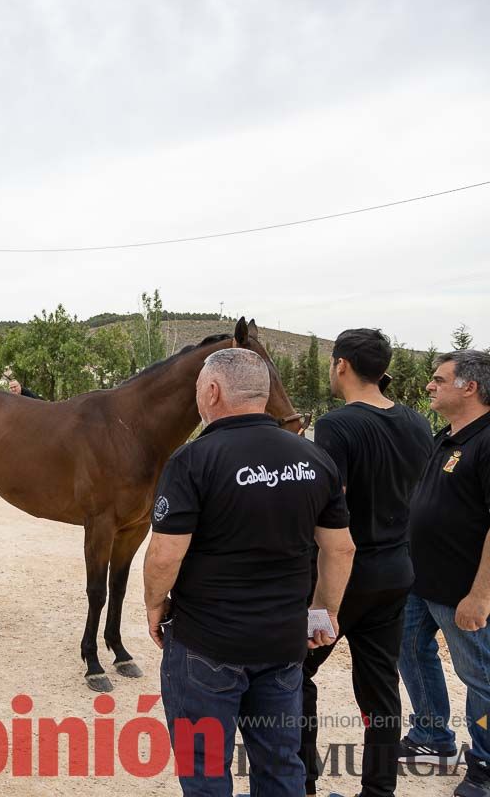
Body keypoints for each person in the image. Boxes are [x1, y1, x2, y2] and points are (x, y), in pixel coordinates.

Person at [143, 347, 355, 797]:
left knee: (205, 769)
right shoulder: (312, 459)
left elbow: (164, 555)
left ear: (213, 391)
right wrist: (324, 612)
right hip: (283, 642)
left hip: (207, 643)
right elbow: (340, 548)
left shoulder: (193, 460)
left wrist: (154, 606)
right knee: (280, 764)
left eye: (200, 389)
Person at [297, 329, 434, 797]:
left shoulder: (339, 424)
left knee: (296, 674)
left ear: (341, 365)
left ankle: (303, 782)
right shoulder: (417, 422)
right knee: (380, 690)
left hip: (347, 573)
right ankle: (379, 790)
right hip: (396, 571)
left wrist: (319, 598)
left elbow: (330, 505)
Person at [398, 350, 490, 797]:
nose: (430, 386)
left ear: (469, 387)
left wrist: (480, 596)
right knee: (410, 652)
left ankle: (487, 764)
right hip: (421, 581)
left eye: (439, 379)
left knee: (482, 677)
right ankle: (432, 738)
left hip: (463, 590)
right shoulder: (450, 437)